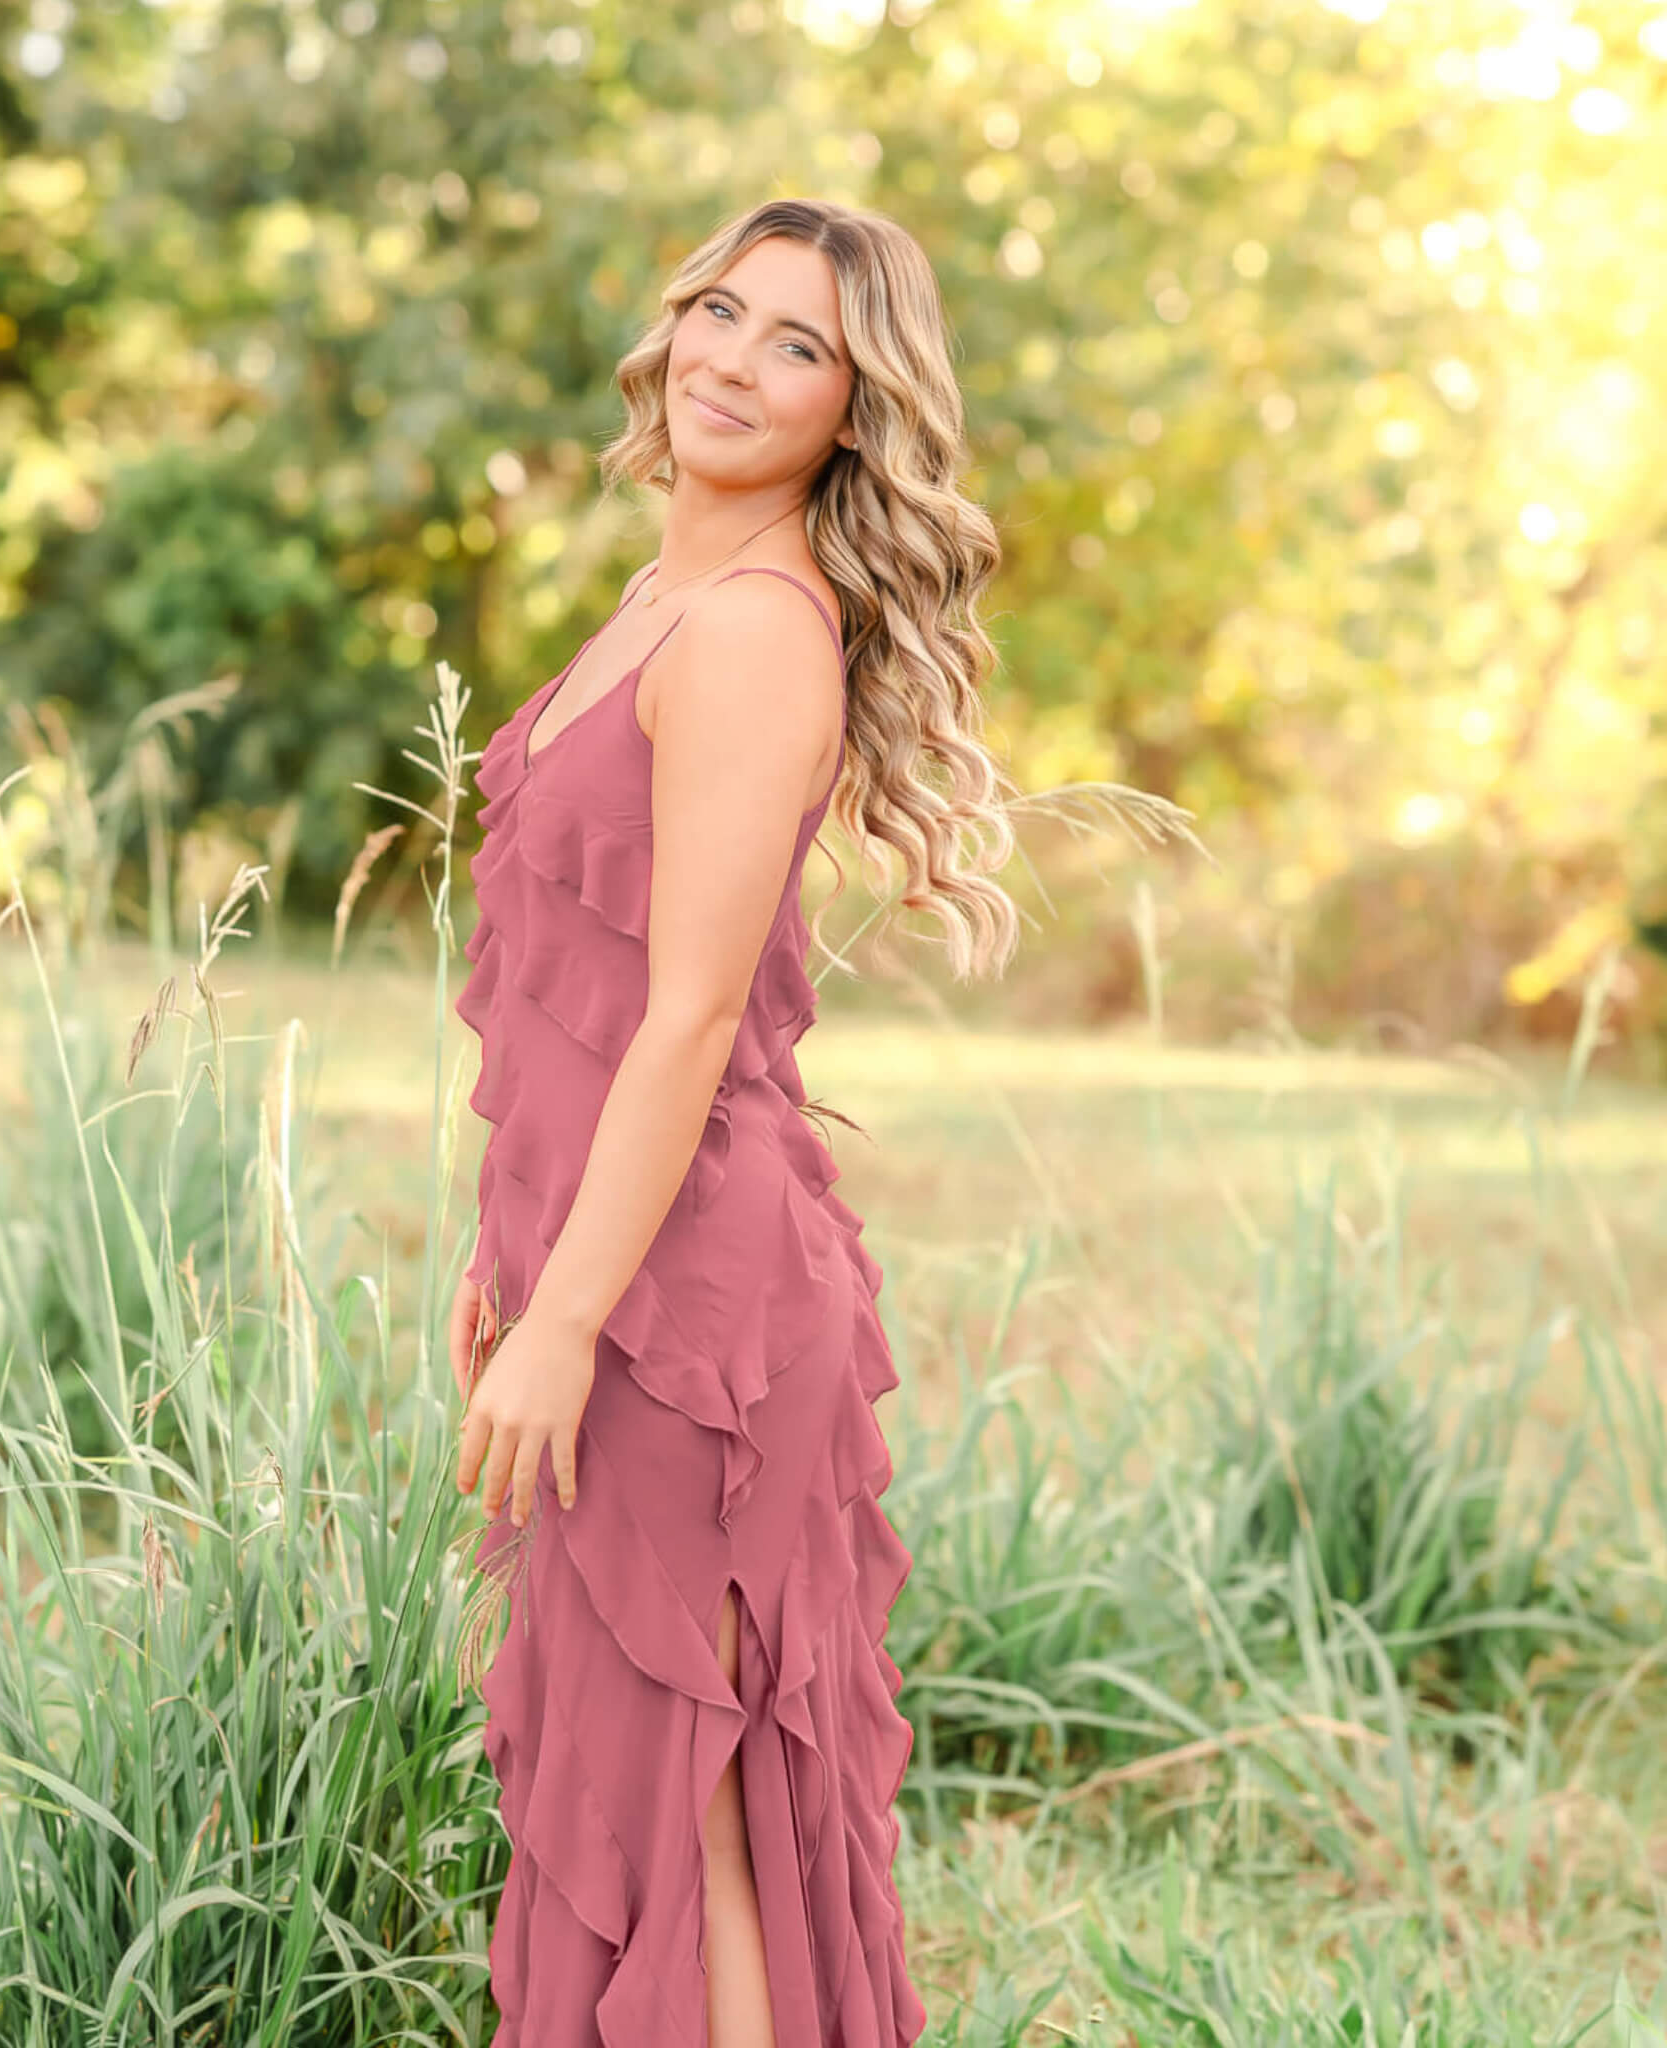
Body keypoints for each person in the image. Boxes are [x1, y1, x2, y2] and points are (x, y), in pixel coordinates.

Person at [448, 195, 1020, 2047]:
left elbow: (689, 1018)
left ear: (858, 411)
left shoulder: (765, 628)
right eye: (723, 309)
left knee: (698, 1809)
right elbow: (570, 996)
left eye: (801, 346)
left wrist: (564, 1318)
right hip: (601, 1253)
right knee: (628, 1786)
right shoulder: (656, 599)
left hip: (687, 1304)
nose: (735, 361)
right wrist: (507, 1259)